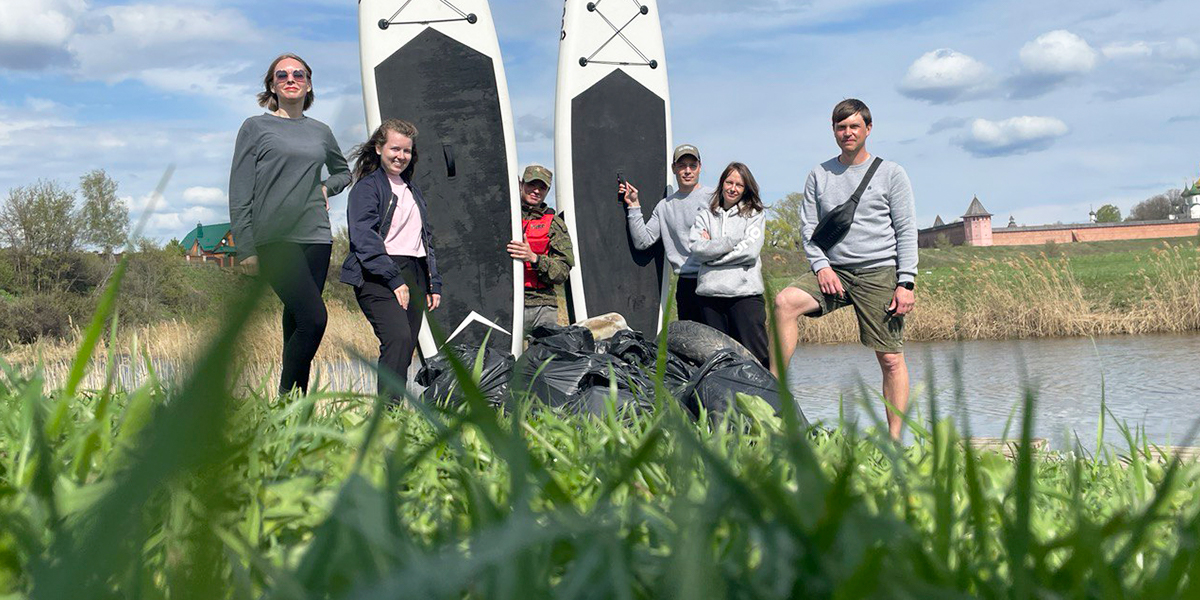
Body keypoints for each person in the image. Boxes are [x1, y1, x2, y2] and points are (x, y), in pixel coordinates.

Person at [773, 99, 917, 440]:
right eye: (841, 127)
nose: (847, 132)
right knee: (784, 302)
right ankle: (773, 395)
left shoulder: (891, 173)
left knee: (891, 360)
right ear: (833, 131)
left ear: (868, 128)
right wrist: (822, 267)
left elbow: (906, 229)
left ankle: (895, 440)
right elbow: (808, 230)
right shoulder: (819, 174)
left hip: (878, 271)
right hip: (834, 271)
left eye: (854, 126)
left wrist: (906, 282)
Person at [228, 53, 351, 396]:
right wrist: (246, 247)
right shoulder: (255, 127)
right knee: (314, 319)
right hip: (274, 239)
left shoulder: (321, 132)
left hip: (316, 236)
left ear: (309, 84)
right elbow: (239, 190)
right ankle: (287, 396)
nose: (290, 79)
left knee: (298, 320)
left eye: (298, 74)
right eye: (281, 75)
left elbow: (344, 172)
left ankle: (293, 411)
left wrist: (327, 187)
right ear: (272, 85)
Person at [340, 119, 442, 404]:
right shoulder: (367, 188)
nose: (401, 156)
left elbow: (425, 238)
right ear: (378, 148)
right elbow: (364, 237)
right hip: (377, 273)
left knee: (406, 345)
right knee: (396, 337)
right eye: (395, 149)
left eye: (407, 151)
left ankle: (394, 413)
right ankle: (386, 415)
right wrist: (393, 278)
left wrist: (434, 282)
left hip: (415, 271)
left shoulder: (412, 189)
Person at [688, 162, 769, 366]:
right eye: (729, 182)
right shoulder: (705, 214)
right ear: (722, 183)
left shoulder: (754, 214)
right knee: (715, 362)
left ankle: (767, 397)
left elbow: (750, 252)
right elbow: (697, 249)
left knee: (756, 359)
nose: (733, 188)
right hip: (710, 298)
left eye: (739, 185)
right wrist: (729, 242)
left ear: (745, 188)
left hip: (745, 297)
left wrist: (713, 257)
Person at [621, 144, 713, 322]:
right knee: (692, 344)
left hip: (713, 279)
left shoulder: (714, 197)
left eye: (692, 166)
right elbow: (643, 241)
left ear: (700, 167)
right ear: (674, 169)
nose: (687, 171)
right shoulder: (664, 207)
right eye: (681, 166)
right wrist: (633, 205)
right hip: (686, 285)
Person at [507, 165, 574, 332]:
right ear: (521, 185)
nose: (536, 191)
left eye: (542, 187)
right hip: (507, 303)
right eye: (531, 185)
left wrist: (535, 259)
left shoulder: (554, 224)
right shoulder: (504, 217)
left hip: (542, 306)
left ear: (548, 191)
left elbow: (563, 272)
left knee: (545, 357)